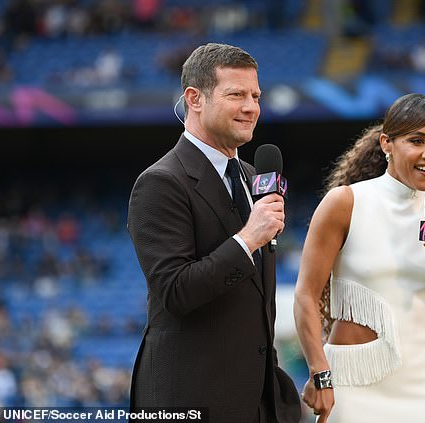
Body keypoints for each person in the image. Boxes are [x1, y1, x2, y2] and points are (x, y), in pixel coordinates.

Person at [127, 43, 301, 423]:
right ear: (195, 98)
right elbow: (175, 291)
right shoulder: (160, 183)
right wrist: (248, 238)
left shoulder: (256, 178)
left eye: (256, 96)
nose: (251, 107)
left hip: (257, 403)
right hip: (188, 399)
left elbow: (257, 307)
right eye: (236, 94)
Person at [294, 93, 425, 422]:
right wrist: (319, 373)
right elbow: (305, 296)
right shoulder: (345, 203)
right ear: (387, 144)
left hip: (423, 388)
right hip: (352, 386)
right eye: (417, 140)